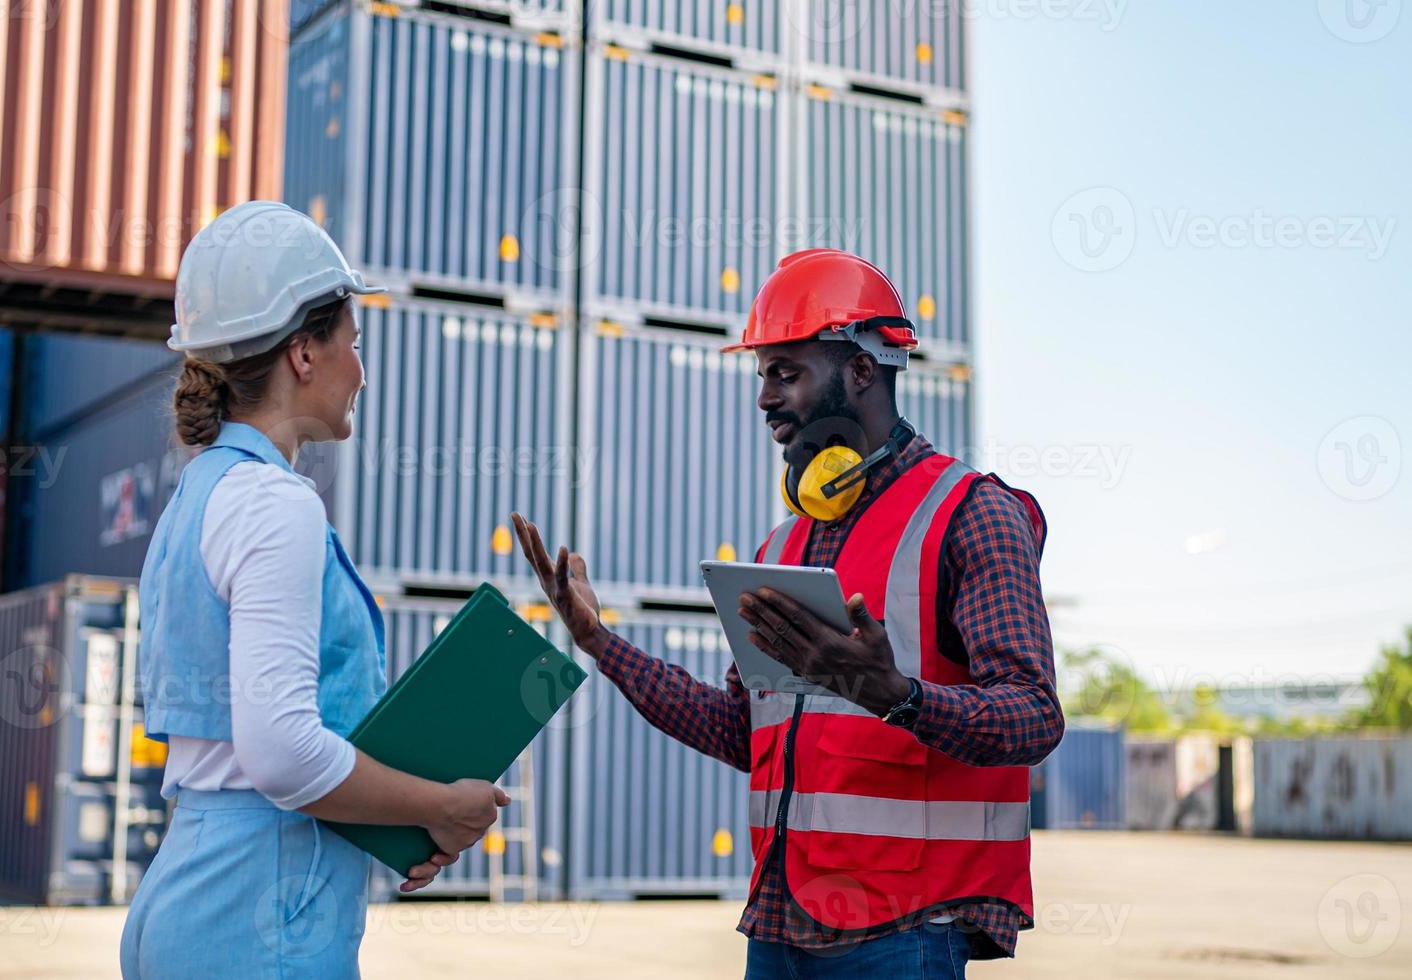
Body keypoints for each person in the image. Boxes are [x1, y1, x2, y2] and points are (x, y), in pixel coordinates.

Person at [513, 249, 1064, 979]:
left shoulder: (972, 515)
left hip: (904, 933)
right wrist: (599, 641)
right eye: (762, 373)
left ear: (862, 370)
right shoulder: (785, 543)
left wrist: (894, 697)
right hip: (778, 927)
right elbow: (743, 733)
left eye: (786, 371)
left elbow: (1033, 717)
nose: (765, 398)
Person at [120, 201, 507, 979]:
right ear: (303, 352)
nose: (359, 371)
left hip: (199, 897)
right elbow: (283, 756)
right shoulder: (274, 505)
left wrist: (398, 822)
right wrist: (441, 807)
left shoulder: (201, 493)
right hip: (261, 917)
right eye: (352, 344)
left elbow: (243, 751)